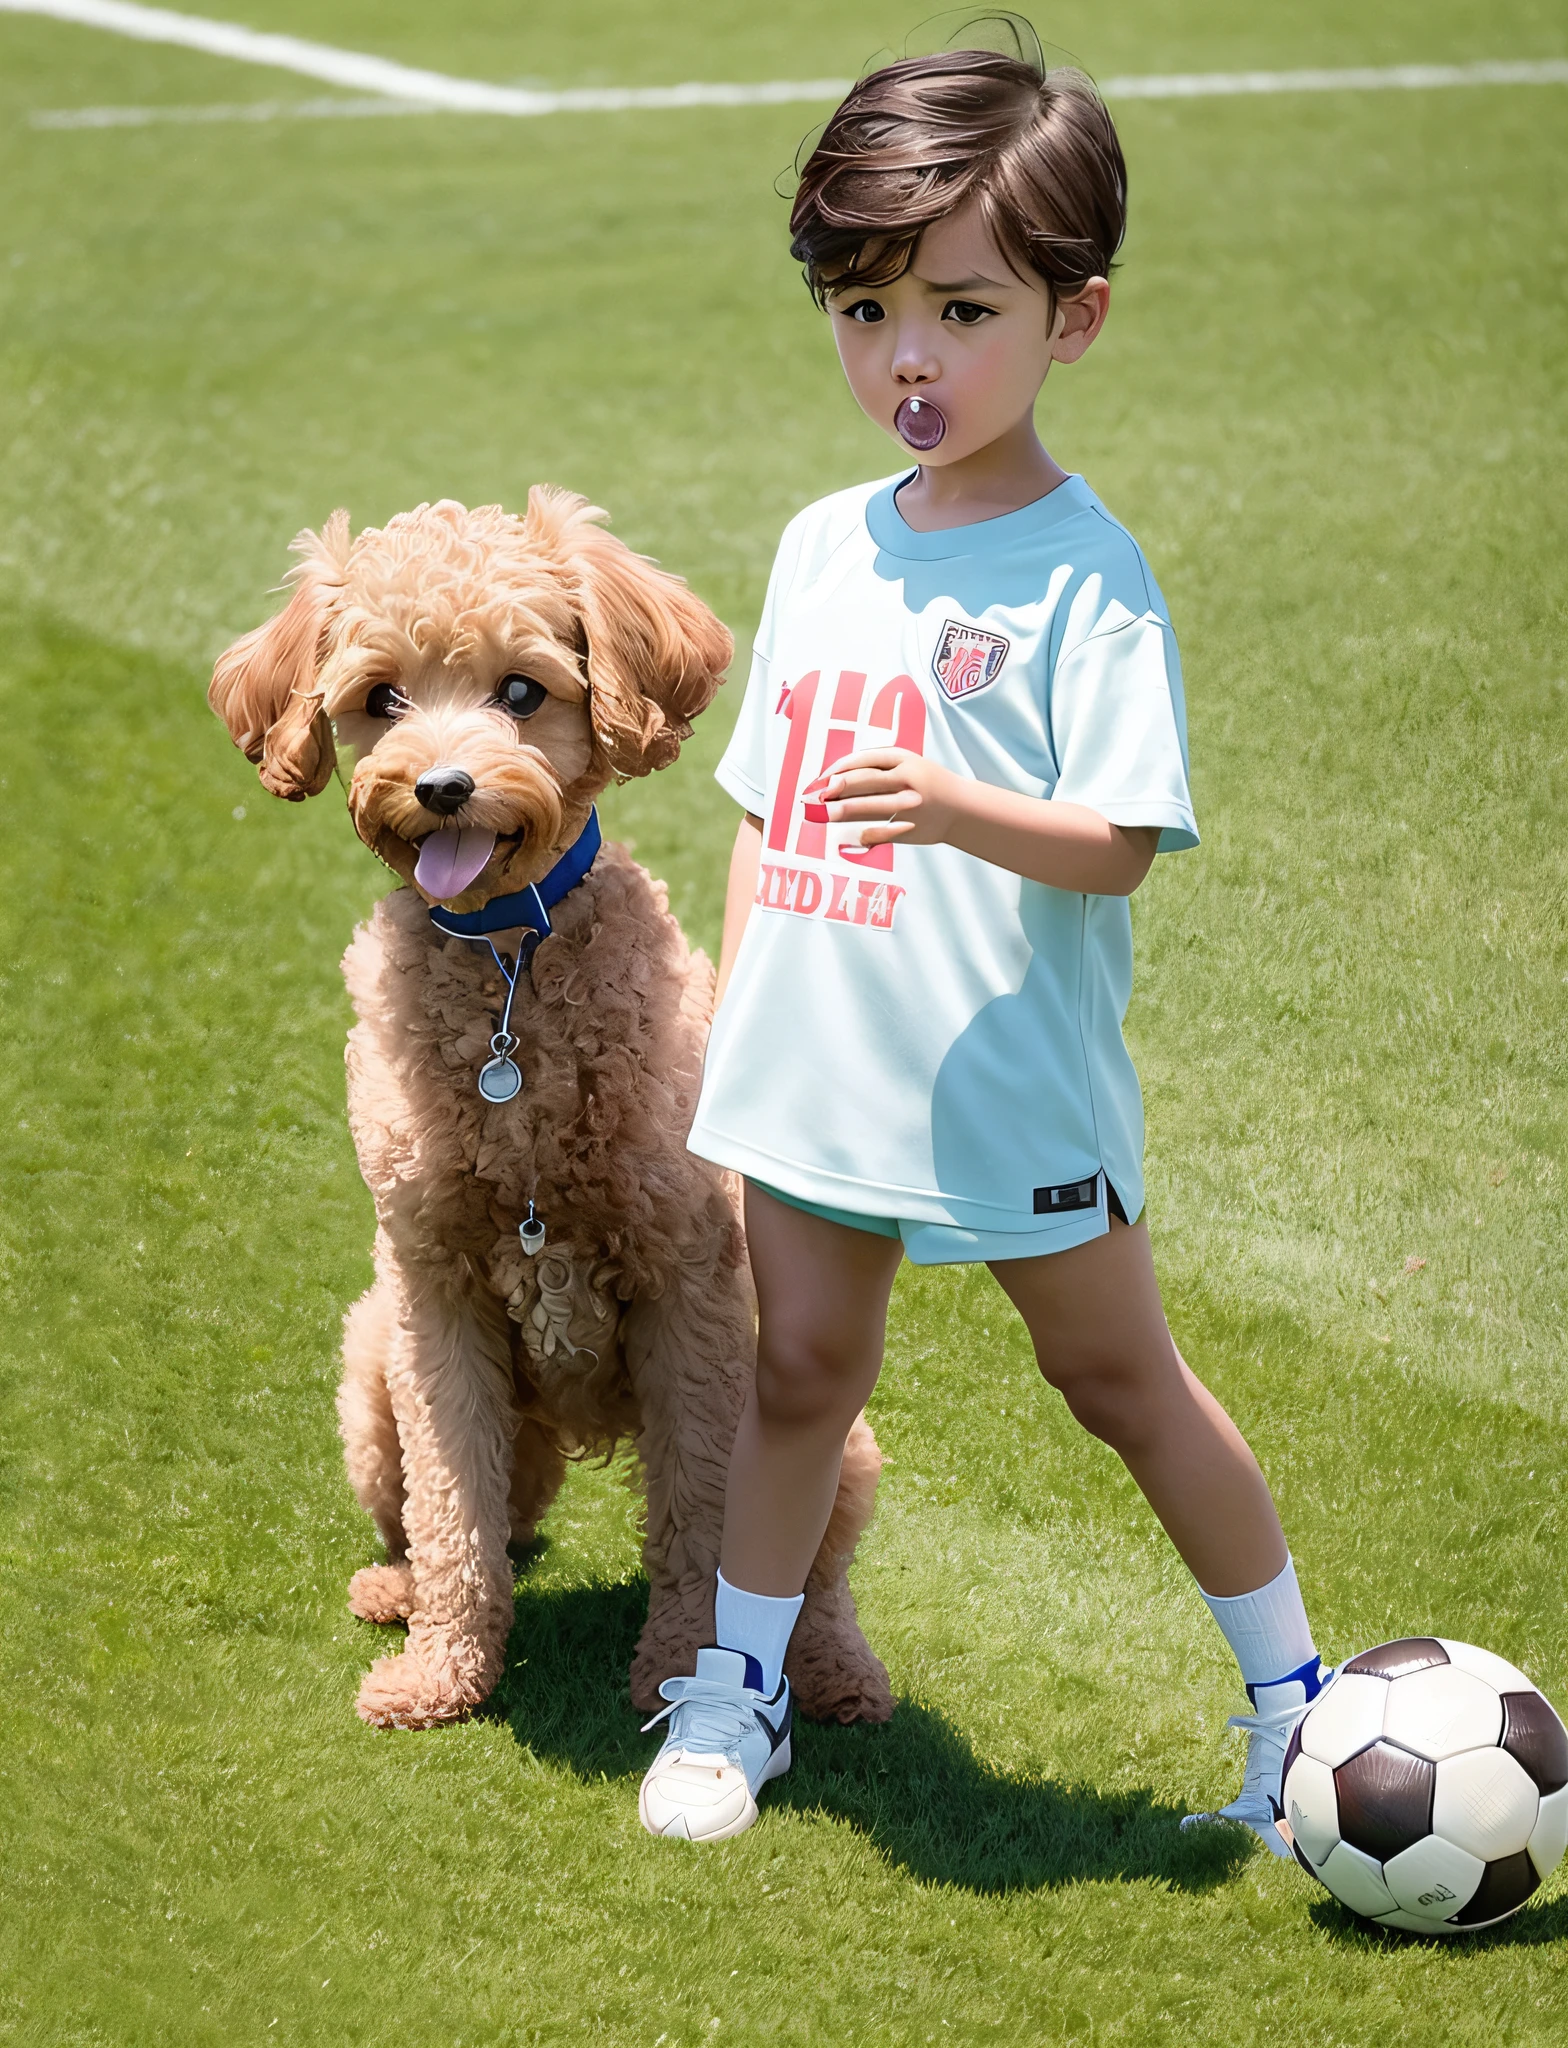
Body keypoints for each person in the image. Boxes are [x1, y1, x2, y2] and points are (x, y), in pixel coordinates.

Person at [638, 45, 1327, 1849]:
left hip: (1009, 1085)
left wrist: (948, 807)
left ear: (1074, 317)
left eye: (959, 308)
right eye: (865, 313)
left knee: (1116, 1382)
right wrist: (726, 1030)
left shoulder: (1091, 578)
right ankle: (738, 1689)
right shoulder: (817, 546)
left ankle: (1297, 1711)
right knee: (798, 1370)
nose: (907, 362)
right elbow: (762, 812)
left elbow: (1117, 849)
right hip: (811, 1069)